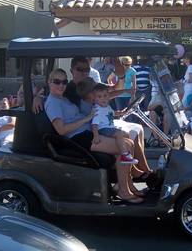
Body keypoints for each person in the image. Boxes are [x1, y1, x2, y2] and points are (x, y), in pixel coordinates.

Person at [44, 68, 143, 202]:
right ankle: (124, 191)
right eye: (57, 82)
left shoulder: (63, 98)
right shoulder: (53, 102)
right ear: (49, 82)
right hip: (78, 139)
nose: (61, 85)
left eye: (64, 82)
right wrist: (86, 119)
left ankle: (127, 185)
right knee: (124, 146)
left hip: (86, 133)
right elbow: (61, 130)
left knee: (128, 143)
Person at [83, 82, 138, 165]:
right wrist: (96, 136)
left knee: (126, 134)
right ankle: (124, 155)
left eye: (105, 96)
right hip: (103, 130)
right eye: (99, 97)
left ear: (108, 96)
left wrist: (122, 112)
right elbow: (94, 125)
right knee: (119, 133)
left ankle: (127, 155)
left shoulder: (107, 107)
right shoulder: (97, 110)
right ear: (94, 99)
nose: (103, 99)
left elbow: (112, 113)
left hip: (110, 128)